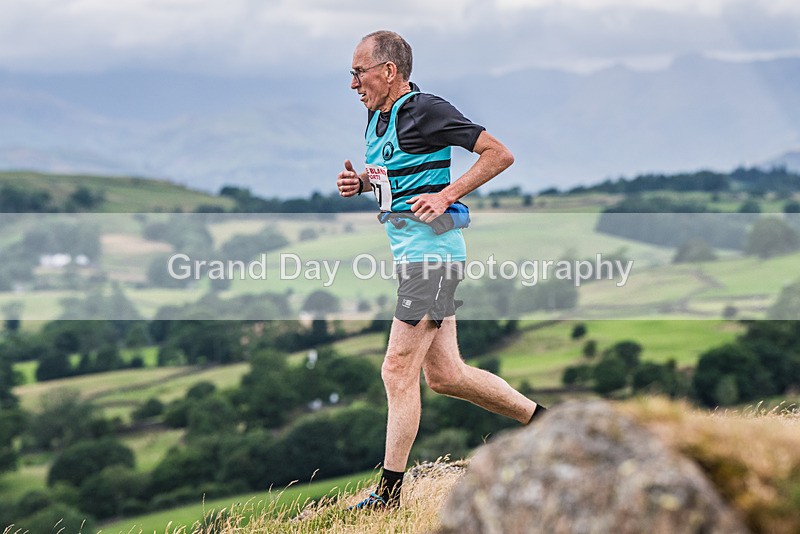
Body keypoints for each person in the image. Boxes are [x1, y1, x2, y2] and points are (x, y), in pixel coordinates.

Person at [336, 30, 547, 509]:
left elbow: (499, 153)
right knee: (447, 375)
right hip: (416, 258)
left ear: (389, 71)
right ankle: (547, 422)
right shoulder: (377, 115)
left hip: (430, 261)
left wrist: (449, 194)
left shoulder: (426, 109)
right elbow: (397, 172)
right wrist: (361, 183)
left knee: (396, 371)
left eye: (358, 72)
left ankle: (389, 495)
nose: (352, 83)